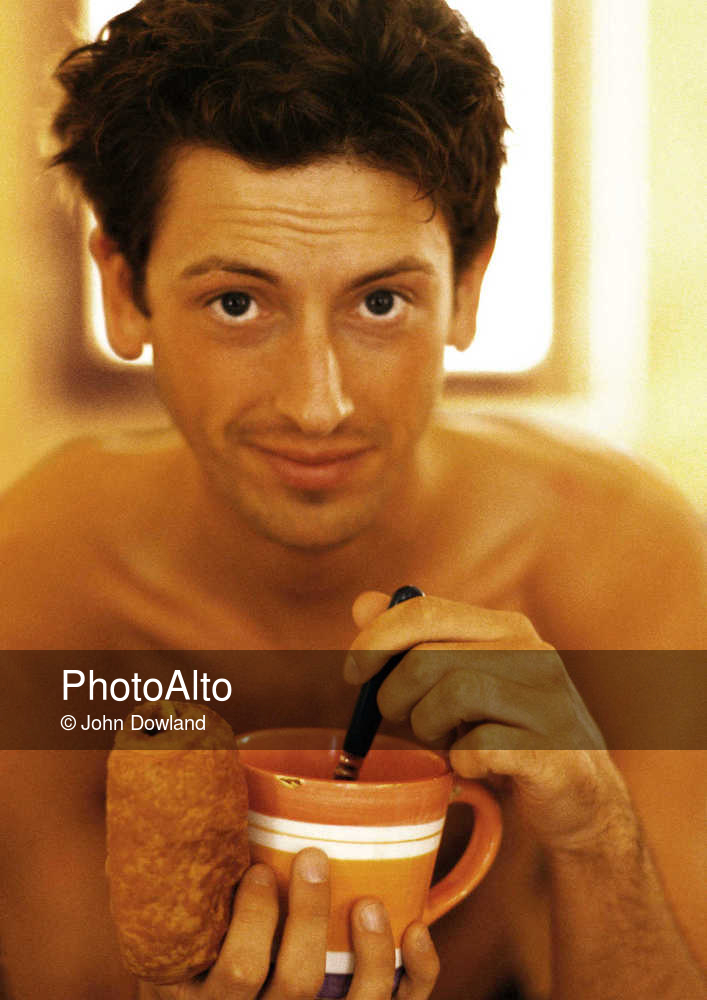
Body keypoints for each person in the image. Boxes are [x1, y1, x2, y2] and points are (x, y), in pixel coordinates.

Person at [0, 0, 705, 997]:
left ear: (466, 286)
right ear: (124, 287)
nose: (317, 404)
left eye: (379, 301)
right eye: (237, 302)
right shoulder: (40, 579)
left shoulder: (620, 558)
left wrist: (595, 829)